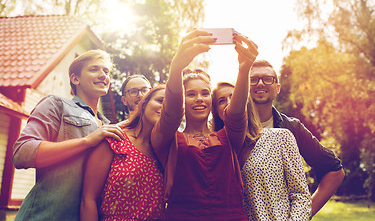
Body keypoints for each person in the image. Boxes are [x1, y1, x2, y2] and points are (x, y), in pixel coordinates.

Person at [151, 29, 258, 221]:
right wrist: (176, 68)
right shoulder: (168, 138)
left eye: (205, 93)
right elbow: (170, 113)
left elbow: (236, 114)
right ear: (183, 99)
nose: (199, 99)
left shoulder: (228, 136)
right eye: (191, 94)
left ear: (211, 98)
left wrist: (244, 69)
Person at [12, 50, 124, 221]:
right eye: (94, 69)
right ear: (75, 79)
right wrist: (87, 141)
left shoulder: (111, 127)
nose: (103, 75)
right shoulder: (56, 105)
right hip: (44, 216)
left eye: (106, 71)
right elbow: (22, 153)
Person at [249, 59, 345, 216]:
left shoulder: (292, 128)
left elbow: (334, 171)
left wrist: (303, 213)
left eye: (267, 79)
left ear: (277, 88)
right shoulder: (230, 126)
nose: (260, 84)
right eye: (253, 79)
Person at [212, 82, 312, 220]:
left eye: (234, 96)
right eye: (221, 101)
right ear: (216, 112)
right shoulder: (217, 153)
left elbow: (301, 195)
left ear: (245, 101)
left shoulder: (281, 138)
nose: (230, 103)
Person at [80, 84, 166, 221]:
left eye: (171, 105)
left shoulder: (167, 153)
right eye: (161, 101)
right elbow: (88, 200)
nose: (165, 107)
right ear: (144, 103)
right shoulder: (115, 139)